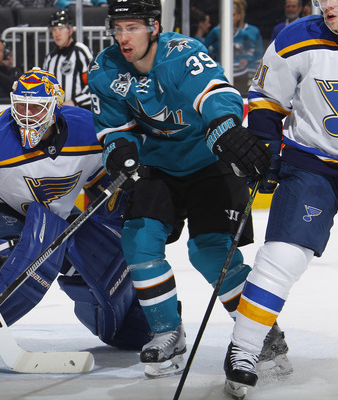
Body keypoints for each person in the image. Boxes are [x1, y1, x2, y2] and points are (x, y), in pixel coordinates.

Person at [87, 0, 288, 378]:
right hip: (159, 166)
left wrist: (225, 126)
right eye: (118, 28)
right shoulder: (104, 69)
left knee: (210, 253)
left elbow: (216, 94)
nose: (123, 37)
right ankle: (167, 331)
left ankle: (261, 333)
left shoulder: (182, 54)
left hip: (208, 163)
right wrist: (119, 151)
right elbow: (111, 128)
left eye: (132, 27)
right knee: (138, 241)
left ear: (154, 27)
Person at [0, 68, 153, 368]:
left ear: (55, 106)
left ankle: (131, 326)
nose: (27, 115)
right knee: (16, 264)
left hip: (47, 216)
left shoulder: (87, 129)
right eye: (20, 106)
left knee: (101, 260)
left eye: (36, 107)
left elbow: (102, 175)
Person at [223, 1, 338, 398]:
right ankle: (243, 350)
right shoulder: (296, 37)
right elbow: (265, 97)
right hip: (310, 160)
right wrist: (263, 144)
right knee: (283, 256)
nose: (327, 4)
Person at [204, 0, 264, 96]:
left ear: (239, 16)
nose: (230, 18)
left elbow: (251, 49)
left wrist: (247, 59)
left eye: (233, 15)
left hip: (241, 75)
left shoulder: (244, 34)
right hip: (221, 74)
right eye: (228, 14)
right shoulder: (216, 32)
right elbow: (204, 48)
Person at [42, 10, 93, 109]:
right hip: (56, 115)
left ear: (70, 30)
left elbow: (93, 85)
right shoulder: (50, 58)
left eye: (61, 29)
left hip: (80, 112)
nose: (57, 34)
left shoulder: (81, 52)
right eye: (54, 30)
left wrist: (74, 102)